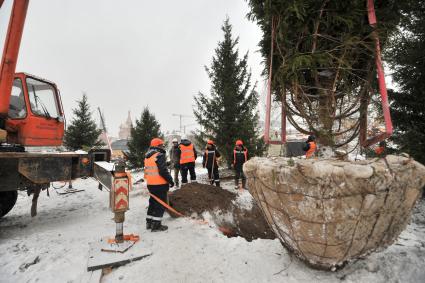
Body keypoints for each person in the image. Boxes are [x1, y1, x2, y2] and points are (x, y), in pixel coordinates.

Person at [144, 138, 174, 232]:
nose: (163, 147)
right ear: (158, 146)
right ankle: (156, 225)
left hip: (150, 184)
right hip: (160, 184)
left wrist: (166, 164)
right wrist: (170, 180)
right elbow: (162, 171)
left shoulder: (147, 156)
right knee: (160, 204)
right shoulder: (159, 155)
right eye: (161, 145)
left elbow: (154, 168)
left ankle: (149, 222)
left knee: (152, 203)